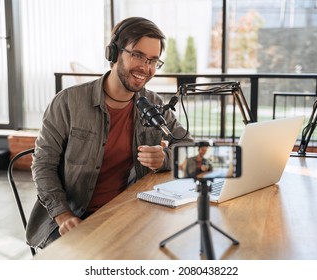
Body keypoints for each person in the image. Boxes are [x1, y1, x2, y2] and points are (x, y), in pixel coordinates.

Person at [26, 17, 193, 250]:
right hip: (72, 218)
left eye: (153, 60)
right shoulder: (68, 102)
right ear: (114, 53)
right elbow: (43, 165)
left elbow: (189, 150)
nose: (145, 68)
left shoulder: (153, 103)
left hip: (128, 213)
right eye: (137, 55)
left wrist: (164, 159)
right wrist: (63, 215)